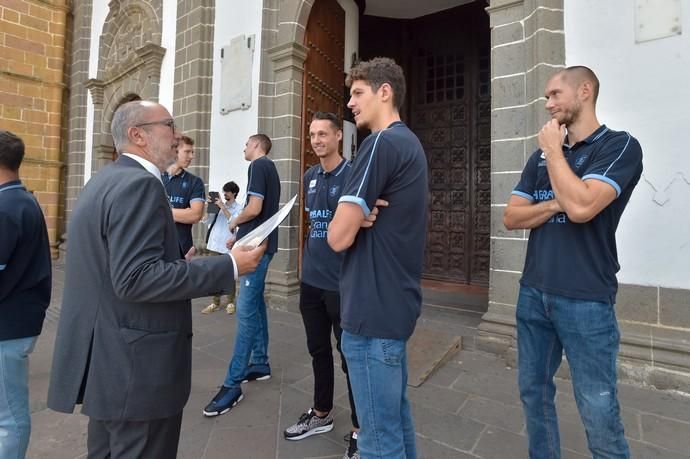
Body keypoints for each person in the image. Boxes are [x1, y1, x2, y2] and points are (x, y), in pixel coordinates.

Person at [46, 100, 265, 458]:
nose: (177, 135)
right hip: (137, 370)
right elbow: (135, 278)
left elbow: (113, 266)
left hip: (108, 363)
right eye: (169, 125)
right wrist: (230, 265)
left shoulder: (103, 180)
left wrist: (174, 261)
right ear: (138, 135)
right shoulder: (140, 186)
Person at [503, 66, 643, 459]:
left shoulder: (619, 146)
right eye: (546, 97)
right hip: (533, 293)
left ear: (584, 91)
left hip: (586, 299)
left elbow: (582, 207)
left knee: (597, 406)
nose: (548, 104)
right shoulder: (542, 157)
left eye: (554, 94)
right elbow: (512, 217)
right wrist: (554, 200)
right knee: (533, 393)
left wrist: (553, 156)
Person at [328, 57, 428, 459]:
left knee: (376, 441)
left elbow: (336, 237)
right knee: (396, 425)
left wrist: (349, 216)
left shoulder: (381, 143)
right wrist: (357, 213)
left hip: (370, 313)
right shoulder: (411, 143)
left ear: (384, 92)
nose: (350, 103)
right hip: (394, 306)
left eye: (357, 93)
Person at [282, 112, 360, 458]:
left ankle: (361, 430)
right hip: (311, 283)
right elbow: (312, 225)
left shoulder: (353, 174)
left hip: (342, 285)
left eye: (323, 134)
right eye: (312, 135)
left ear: (338, 137)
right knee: (318, 350)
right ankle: (322, 413)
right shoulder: (310, 176)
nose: (316, 140)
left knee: (350, 357)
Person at [203, 134, 281, 417]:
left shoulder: (258, 166)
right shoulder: (269, 168)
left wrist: (235, 222)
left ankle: (232, 383)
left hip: (255, 250)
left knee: (245, 312)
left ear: (257, 145)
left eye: (246, 144)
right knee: (256, 306)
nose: (244, 148)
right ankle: (259, 362)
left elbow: (255, 208)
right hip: (258, 244)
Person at [0, 130, 52, 458]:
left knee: (9, 415)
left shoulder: (7, 206)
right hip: (17, 319)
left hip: (9, 324)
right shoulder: (21, 199)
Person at [202, 181, 243, 314]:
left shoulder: (239, 208)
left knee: (230, 274)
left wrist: (223, 208)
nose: (224, 194)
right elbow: (206, 221)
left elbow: (235, 222)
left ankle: (230, 302)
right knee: (214, 275)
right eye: (224, 191)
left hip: (228, 246)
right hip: (214, 244)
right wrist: (207, 207)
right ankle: (215, 302)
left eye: (227, 191)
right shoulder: (218, 206)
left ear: (234, 193)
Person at [163, 135, 205, 254]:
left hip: (182, 248)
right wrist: (182, 214)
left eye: (192, 152)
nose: (191, 156)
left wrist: (161, 212)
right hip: (156, 245)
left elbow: (195, 215)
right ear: (174, 151)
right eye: (187, 152)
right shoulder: (155, 176)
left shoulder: (195, 182)